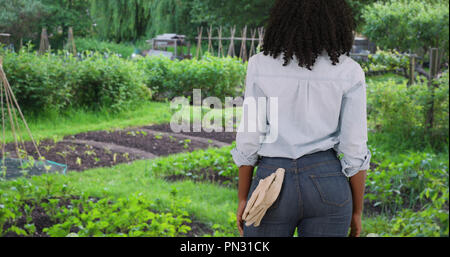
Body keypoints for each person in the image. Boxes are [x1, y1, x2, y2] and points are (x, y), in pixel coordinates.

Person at [232, 0, 371, 237]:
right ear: (336, 22)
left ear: (281, 20)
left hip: (271, 182)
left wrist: (244, 197)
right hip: (328, 184)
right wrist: (357, 211)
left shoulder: (260, 65)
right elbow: (354, 147)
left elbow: (249, 138)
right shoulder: (349, 71)